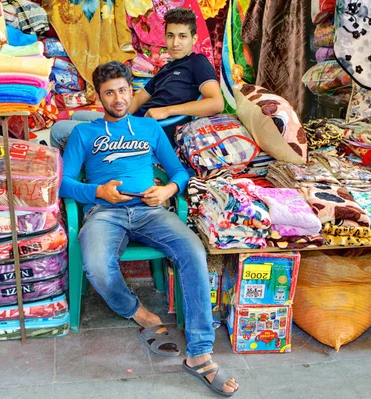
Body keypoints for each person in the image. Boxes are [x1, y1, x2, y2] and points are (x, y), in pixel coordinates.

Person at [59, 61, 238, 397]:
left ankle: (200, 353)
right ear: (99, 96)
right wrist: (97, 191)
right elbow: (64, 184)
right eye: (109, 92)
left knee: (193, 251)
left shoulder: (149, 130)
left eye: (123, 90)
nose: (117, 98)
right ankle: (135, 310)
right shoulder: (84, 133)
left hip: (150, 211)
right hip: (104, 213)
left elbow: (179, 172)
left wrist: (168, 190)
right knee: (96, 263)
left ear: (131, 90)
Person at [50, 8, 223, 150]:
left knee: (58, 130)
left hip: (149, 134)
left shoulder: (197, 62)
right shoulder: (166, 68)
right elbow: (139, 98)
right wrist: (117, 120)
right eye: (170, 35)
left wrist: (168, 110)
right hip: (133, 124)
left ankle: (77, 174)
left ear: (194, 39)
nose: (175, 42)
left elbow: (216, 103)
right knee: (78, 115)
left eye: (182, 36)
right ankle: (90, 159)